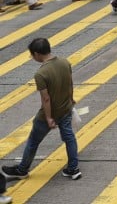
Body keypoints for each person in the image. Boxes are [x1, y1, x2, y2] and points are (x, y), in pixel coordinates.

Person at [1, 38, 81, 182]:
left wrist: (49, 118)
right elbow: (70, 83)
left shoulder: (41, 73)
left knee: (33, 141)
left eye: (32, 55)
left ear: (37, 54)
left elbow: (46, 99)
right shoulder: (65, 62)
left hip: (48, 114)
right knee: (69, 138)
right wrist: (71, 99)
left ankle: (22, 170)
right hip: (66, 109)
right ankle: (73, 169)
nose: (32, 57)